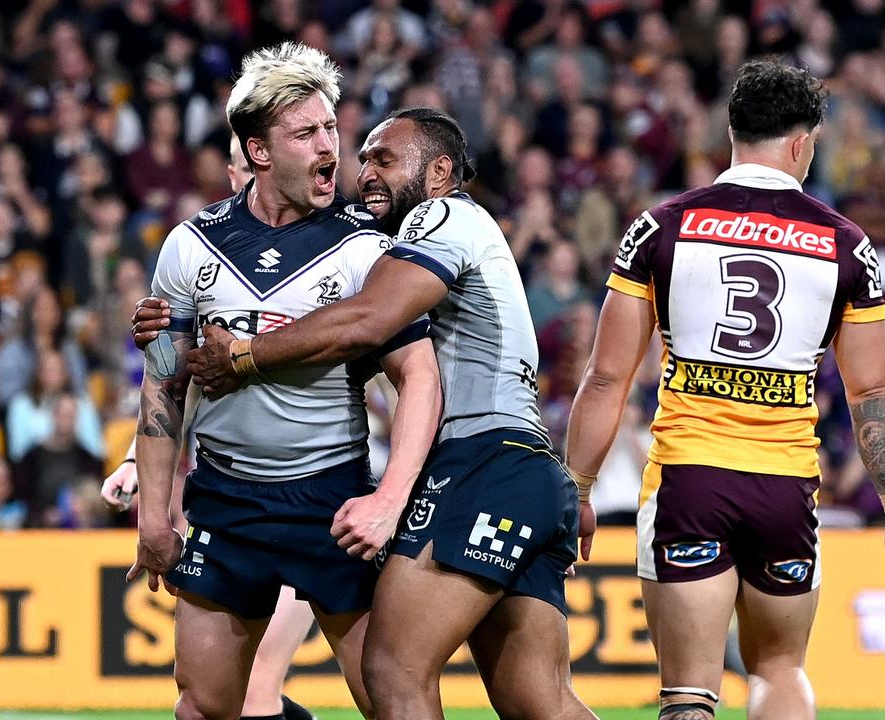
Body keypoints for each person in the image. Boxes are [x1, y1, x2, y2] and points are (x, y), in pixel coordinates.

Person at [134, 106, 594, 720]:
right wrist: (170, 334)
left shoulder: (444, 215)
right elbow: (172, 370)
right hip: (519, 465)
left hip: (481, 461)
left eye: (384, 159)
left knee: (392, 671)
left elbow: (366, 321)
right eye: (366, 157)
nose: (364, 172)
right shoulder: (384, 244)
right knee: (539, 701)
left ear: (438, 172)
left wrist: (243, 354)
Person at [564, 60, 885, 720]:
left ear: (731, 132)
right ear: (801, 143)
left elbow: (607, 378)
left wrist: (580, 490)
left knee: (688, 695)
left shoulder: (660, 228)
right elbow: (873, 391)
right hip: (784, 488)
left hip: (688, 481)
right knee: (779, 671)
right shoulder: (847, 246)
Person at [125, 42, 441, 720]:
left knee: (395, 701)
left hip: (330, 498)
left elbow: (417, 377)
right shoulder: (192, 244)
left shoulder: (367, 248)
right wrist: (155, 516)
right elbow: (162, 387)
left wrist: (390, 496)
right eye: (307, 133)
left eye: (331, 127)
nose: (332, 146)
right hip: (226, 500)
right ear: (260, 152)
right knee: (203, 707)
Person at [102, 131, 319, 720]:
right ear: (234, 171)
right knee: (233, 696)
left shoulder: (333, 246)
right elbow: (179, 380)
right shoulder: (205, 257)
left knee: (268, 688)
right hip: (237, 501)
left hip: (325, 494)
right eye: (242, 164)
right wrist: (132, 459)